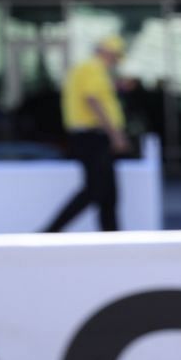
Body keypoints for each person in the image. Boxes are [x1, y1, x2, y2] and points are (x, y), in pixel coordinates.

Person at [44, 35, 130, 232]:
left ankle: (112, 237)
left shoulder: (92, 71)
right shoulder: (92, 69)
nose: (115, 62)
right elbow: (93, 100)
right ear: (107, 52)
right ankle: (50, 232)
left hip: (95, 136)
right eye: (115, 57)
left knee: (108, 193)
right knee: (95, 190)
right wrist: (115, 134)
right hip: (92, 136)